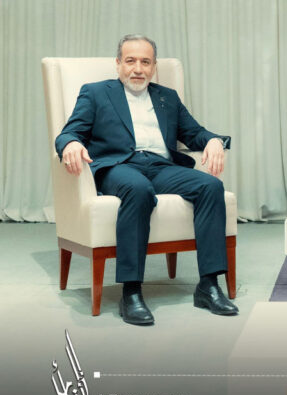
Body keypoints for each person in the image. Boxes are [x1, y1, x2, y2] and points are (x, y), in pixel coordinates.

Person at [55, 34, 238, 325]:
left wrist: (215, 141)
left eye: (145, 62)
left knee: (210, 186)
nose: (138, 69)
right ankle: (131, 292)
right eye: (130, 61)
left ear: (154, 67)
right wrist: (71, 144)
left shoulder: (168, 97)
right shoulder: (96, 92)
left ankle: (208, 285)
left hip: (160, 165)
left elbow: (194, 133)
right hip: (118, 166)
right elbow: (70, 132)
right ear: (118, 63)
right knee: (138, 189)